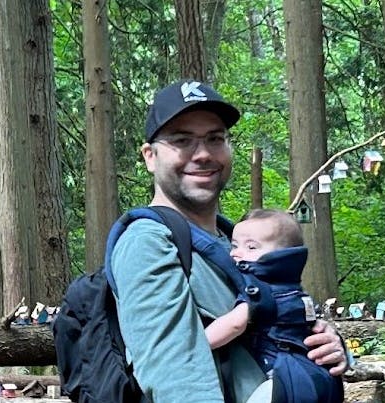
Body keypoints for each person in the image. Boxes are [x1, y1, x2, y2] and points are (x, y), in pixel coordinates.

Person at [110, 79, 348, 403]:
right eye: (182, 140)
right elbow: (177, 381)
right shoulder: (149, 244)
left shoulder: (233, 241)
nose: (204, 153)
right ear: (150, 156)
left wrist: (321, 345)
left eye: (215, 138)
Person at [205, 209, 344, 403]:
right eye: (234, 245)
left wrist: (197, 343)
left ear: (283, 256)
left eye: (251, 248)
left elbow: (235, 324)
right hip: (312, 374)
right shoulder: (295, 291)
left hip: (282, 380)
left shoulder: (261, 291)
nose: (236, 253)